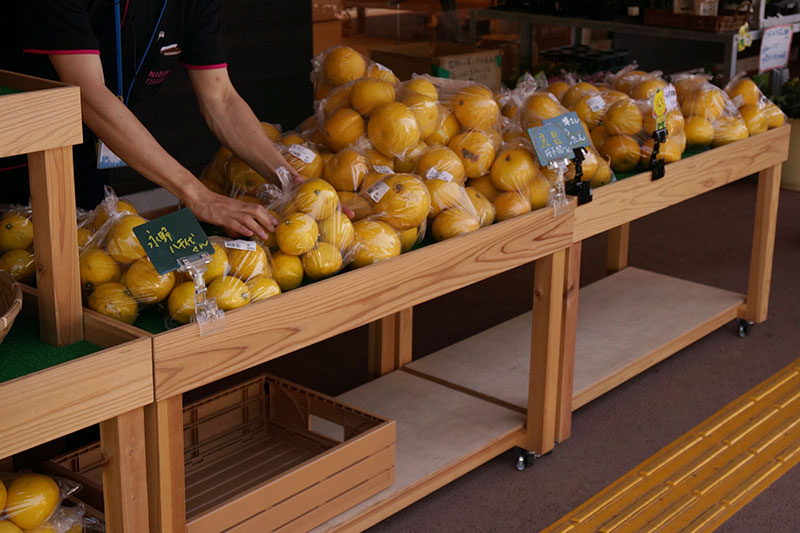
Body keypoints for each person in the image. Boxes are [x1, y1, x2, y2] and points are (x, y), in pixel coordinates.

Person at [0, 0, 302, 240]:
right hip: (14, 150)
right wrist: (196, 193)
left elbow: (220, 98)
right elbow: (87, 94)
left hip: (89, 148)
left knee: (82, 266)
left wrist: (290, 180)